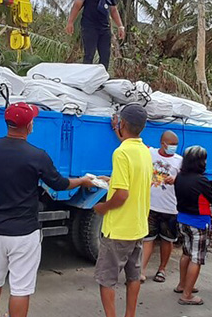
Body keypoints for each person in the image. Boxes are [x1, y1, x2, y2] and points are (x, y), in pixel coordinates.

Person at [0, 103, 97, 317]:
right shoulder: (37, 155)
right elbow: (59, 184)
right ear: (29, 125)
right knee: (20, 288)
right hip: (24, 231)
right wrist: (82, 181)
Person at [94, 104, 151, 317]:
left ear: (122, 124)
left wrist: (102, 207)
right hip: (137, 226)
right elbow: (131, 181)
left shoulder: (121, 153)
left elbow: (121, 195)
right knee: (133, 276)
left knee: (106, 279)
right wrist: (112, 180)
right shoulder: (144, 152)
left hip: (118, 228)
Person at [174, 146, 212, 306]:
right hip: (198, 222)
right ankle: (187, 295)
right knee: (197, 258)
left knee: (186, 253)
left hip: (182, 220)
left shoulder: (179, 177)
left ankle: (182, 285)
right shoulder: (201, 181)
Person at [65, 0, 126, 71]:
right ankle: (85, 79)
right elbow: (77, 6)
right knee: (89, 55)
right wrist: (70, 22)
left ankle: (101, 80)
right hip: (89, 27)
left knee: (105, 56)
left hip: (104, 28)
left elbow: (114, 10)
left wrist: (120, 26)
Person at [140, 131, 182, 284]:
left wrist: (176, 178)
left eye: (175, 145)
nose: (174, 148)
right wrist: (116, 128)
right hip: (151, 205)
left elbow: (187, 178)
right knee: (147, 239)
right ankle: (142, 271)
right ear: (162, 143)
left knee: (167, 240)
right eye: (171, 144)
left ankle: (162, 269)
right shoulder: (150, 153)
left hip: (170, 208)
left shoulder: (180, 161)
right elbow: (131, 139)